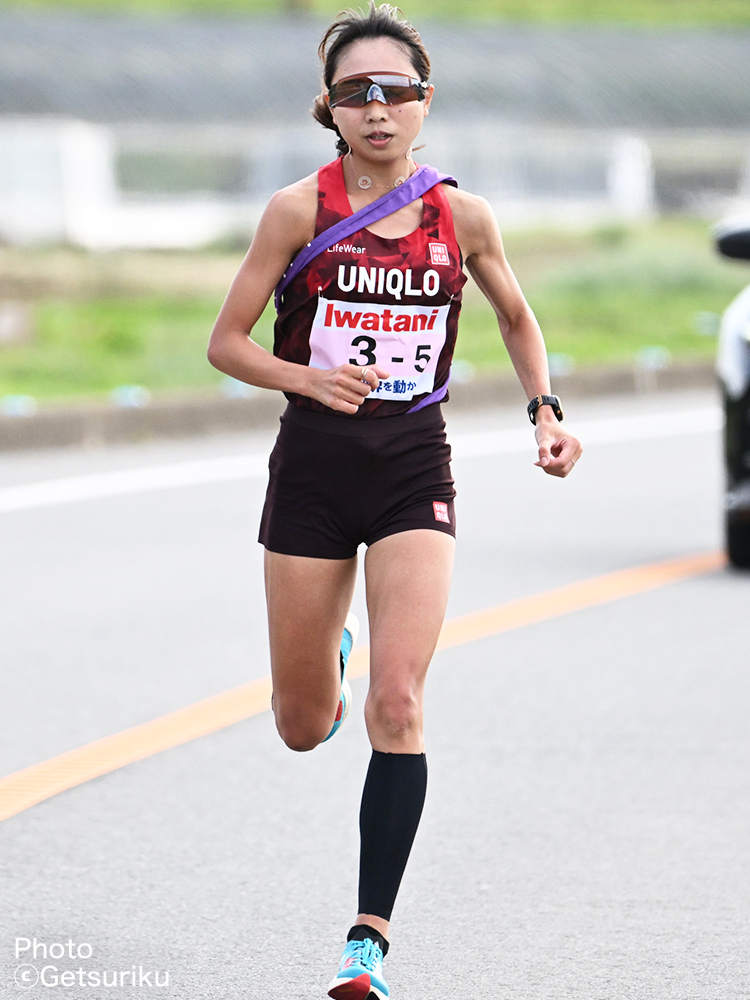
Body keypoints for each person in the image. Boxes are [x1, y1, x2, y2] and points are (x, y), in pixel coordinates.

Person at [207, 4, 582, 998]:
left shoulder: (464, 217)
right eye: (355, 93)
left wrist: (545, 410)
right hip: (313, 471)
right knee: (300, 724)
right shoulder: (297, 210)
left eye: (396, 91)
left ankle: (367, 938)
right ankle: (323, 661)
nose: (377, 109)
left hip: (414, 465)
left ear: (425, 101)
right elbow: (226, 343)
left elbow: (515, 314)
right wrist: (305, 378)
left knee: (400, 700)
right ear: (329, 108)